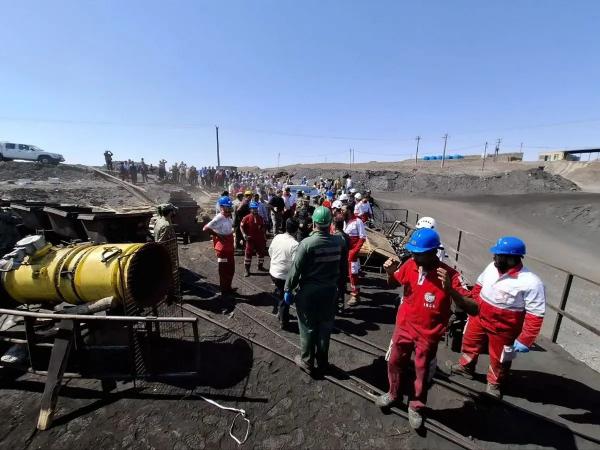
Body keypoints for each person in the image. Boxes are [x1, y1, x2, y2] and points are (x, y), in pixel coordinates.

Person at [376, 228, 477, 429]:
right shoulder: (410, 265)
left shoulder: (451, 276)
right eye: (412, 252)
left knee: (422, 373)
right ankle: (393, 393)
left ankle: (416, 406)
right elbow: (393, 283)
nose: (413, 255)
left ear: (432, 253)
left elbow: (473, 308)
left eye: (417, 252)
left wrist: (450, 291)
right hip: (403, 328)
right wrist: (389, 273)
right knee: (394, 362)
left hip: (428, 335)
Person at [448, 236, 545, 399]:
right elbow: (479, 286)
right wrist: (473, 305)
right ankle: (466, 367)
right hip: (479, 317)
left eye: (498, 255)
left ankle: (494, 384)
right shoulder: (491, 268)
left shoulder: (531, 282)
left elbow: (535, 314)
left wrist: (525, 339)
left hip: (505, 328)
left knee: (500, 358)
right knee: (470, 342)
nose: (494, 257)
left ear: (511, 258)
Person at [284, 206, 347, 374]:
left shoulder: (307, 244)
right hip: (330, 292)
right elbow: (343, 270)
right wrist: (341, 291)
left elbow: (295, 270)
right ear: (330, 224)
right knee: (325, 327)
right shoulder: (339, 242)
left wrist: (288, 289)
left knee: (307, 327)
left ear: (314, 223)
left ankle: (307, 361)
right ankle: (322, 361)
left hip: (309, 293)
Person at [269, 219, 300, 329]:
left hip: (273, 272)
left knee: (280, 293)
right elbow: (295, 263)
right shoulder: (295, 244)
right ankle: (283, 320)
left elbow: (270, 252)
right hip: (283, 276)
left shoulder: (277, 237)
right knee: (285, 298)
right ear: (296, 230)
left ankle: (280, 311)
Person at [203, 196, 236, 295]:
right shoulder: (219, 218)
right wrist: (217, 235)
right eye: (227, 207)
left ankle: (228, 287)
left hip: (229, 247)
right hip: (222, 250)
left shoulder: (228, 216)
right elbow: (205, 228)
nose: (229, 209)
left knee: (231, 268)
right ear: (221, 207)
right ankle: (224, 290)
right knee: (223, 269)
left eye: (230, 207)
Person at [343, 205, 367, 306]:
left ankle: (355, 295)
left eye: (343, 209)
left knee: (353, 273)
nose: (341, 211)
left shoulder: (358, 221)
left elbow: (362, 237)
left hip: (352, 252)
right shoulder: (343, 221)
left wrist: (355, 251)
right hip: (344, 251)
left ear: (348, 210)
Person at [240, 201, 268, 277]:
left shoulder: (260, 218)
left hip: (259, 239)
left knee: (261, 252)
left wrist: (264, 236)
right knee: (248, 254)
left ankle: (260, 266)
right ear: (250, 209)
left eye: (256, 209)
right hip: (250, 239)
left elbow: (263, 227)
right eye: (253, 209)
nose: (255, 210)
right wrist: (244, 235)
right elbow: (241, 226)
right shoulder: (246, 218)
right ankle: (247, 270)